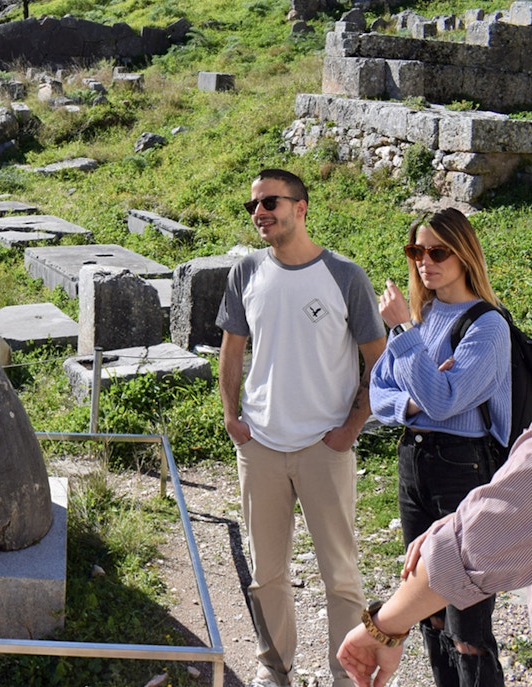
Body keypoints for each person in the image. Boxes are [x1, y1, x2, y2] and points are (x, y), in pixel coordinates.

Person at [217, 168, 387, 687]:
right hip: (261, 445)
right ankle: (276, 669)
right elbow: (231, 350)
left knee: (341, 575)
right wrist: (231, 416)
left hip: (324, 448)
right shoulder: (245, 272)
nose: (259, 213)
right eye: (253, 206)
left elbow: (378, 362)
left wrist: (351, 429)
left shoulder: (345, 276)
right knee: (266, 574)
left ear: (301, 207)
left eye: (270, 202)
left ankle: (346, 674)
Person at [368, 207, 509, 686]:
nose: (424, 261)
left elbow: (445, 401)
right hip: (416, 462)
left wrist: (406, 341)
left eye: (437, 251)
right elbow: (378, 392)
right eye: (416, 251)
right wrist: (414, 401)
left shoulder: (488, 326)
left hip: (463, 468)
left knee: (466, 625)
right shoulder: (422, 316)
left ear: (464, 253)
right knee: (426, 611)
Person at [337, 423, 532, 687]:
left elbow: (474, 544)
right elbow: (383, 399)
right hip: (416, 454)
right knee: (434, 624)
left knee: (469, 634)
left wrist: (383, 627)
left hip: (465, 454)